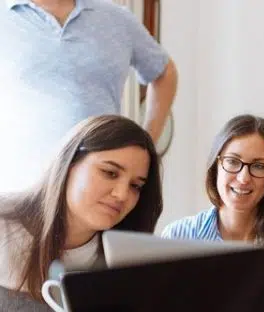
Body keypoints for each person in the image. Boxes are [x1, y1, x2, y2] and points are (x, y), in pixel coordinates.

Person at [0, 115, 163, 312]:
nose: (122, 194)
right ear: (69, 164)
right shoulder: (4, 226)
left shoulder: (123, 258)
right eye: (110, 173)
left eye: (135, 186)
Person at [0, 0, 178, 193]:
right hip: (17, 188)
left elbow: (165, 73)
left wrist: (147, 144)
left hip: (101, 190)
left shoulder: (117, 18)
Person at [161, 115, 264, 256]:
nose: (244, 178)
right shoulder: (177, 237)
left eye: (258, 166)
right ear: (216, 166)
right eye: (232, 161)